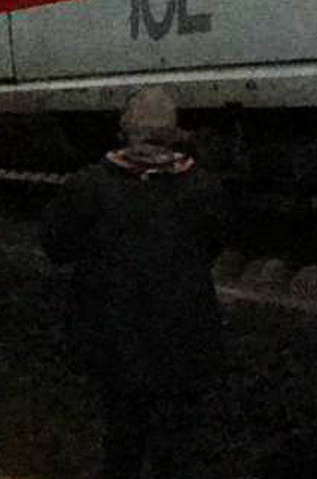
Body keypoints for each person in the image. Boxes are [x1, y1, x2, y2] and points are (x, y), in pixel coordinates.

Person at [40, 87, 229, 479]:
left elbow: (56, 246)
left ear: (124, 133)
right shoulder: (204, 188)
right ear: (174, 134)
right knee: (175, 446)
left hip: (113, 342)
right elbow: (214, 244)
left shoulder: (89, 187)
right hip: (183, 339)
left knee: (122, 440)